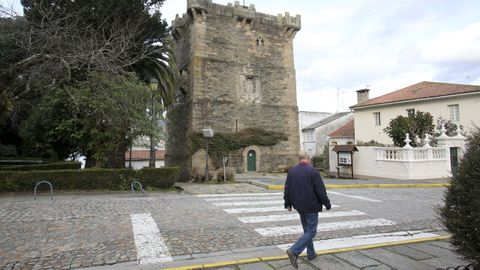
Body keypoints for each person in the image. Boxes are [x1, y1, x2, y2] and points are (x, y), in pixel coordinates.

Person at [283, 149, 331, 268]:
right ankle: (294, 251)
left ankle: (311, 253)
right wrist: (327, 204)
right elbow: (320, 190)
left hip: (298, 205)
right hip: (311, 205)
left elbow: (287, 189)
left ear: (299, 159)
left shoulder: (292, 171)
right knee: (311, 231)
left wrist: (287, 203)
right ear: (308, 159)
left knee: (307, 231)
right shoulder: (313, 171)